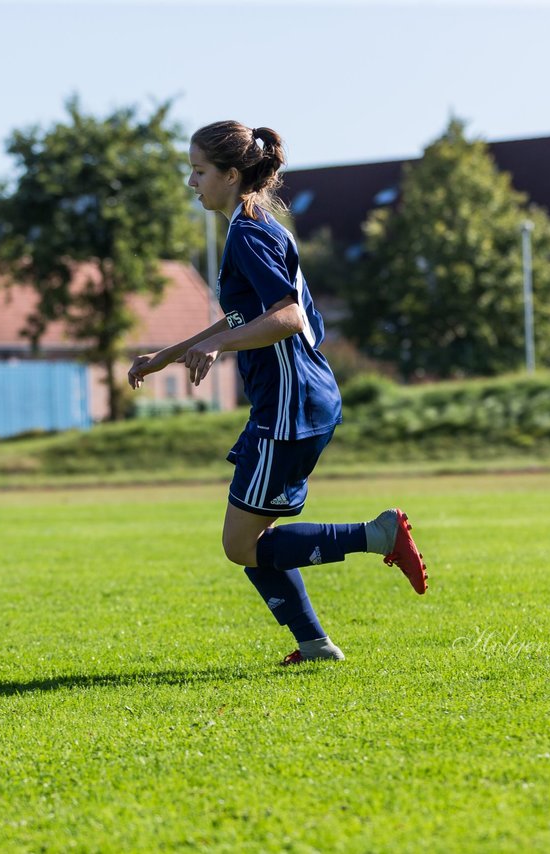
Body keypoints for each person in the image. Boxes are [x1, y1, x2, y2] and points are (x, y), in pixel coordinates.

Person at [128, 120, 427, 665]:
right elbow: (243, 317)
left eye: (198, 171)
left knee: (241, 545)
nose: (191, 182)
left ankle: (378, 536)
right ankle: (314, 644)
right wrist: (166, 357)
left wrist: (221, 349)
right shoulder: (256, 225)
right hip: (298, 401)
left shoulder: (247, 233)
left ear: (231, 174)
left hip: (291, 404)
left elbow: (286, 317)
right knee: (251, 540)